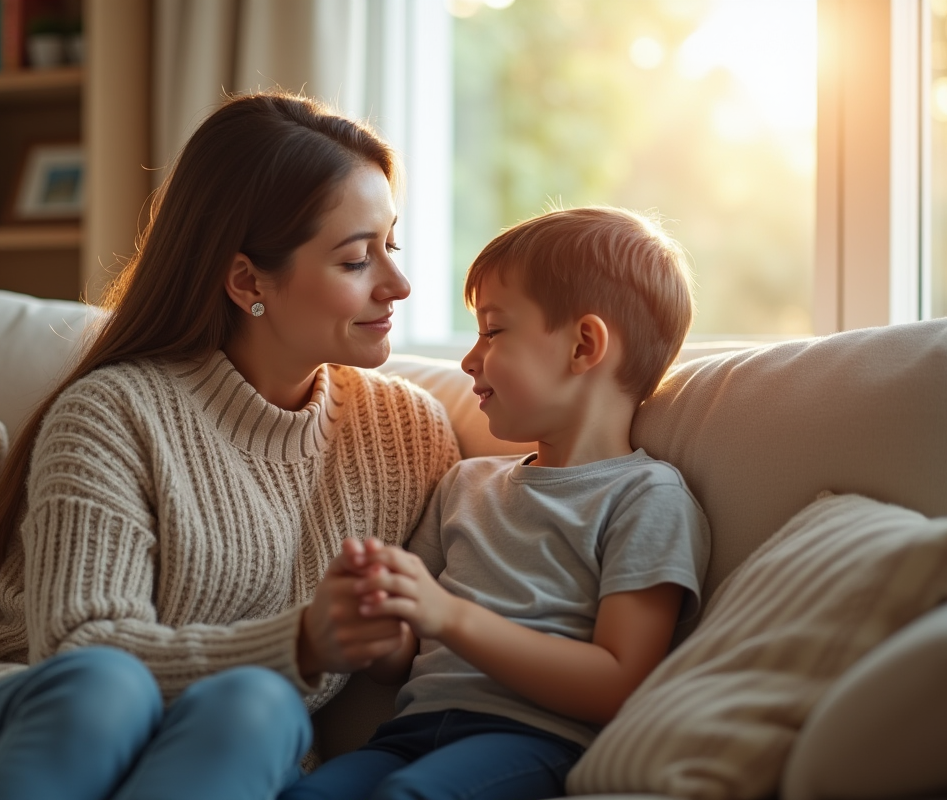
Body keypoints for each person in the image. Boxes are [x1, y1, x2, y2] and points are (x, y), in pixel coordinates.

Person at [0, 91, 461, 800]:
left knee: (262, 706)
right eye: (356, 261)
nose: (399, 285)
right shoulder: (115, 413)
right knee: (109, 687)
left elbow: (424, 649)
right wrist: (302, 642)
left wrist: (387, 633)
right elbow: (80, 652)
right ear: (248, 280)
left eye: (393, 246)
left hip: (188, 755)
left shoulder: (408, 435)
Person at [281, 206, 711, 800]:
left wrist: (448, 615)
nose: (469, 359)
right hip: (407, 733)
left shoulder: (647, 497)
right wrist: (386, 618)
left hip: (531, 740)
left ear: (583, 345)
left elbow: (618, 682)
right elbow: (406, 660)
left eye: (493, 330)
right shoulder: (465, 483)